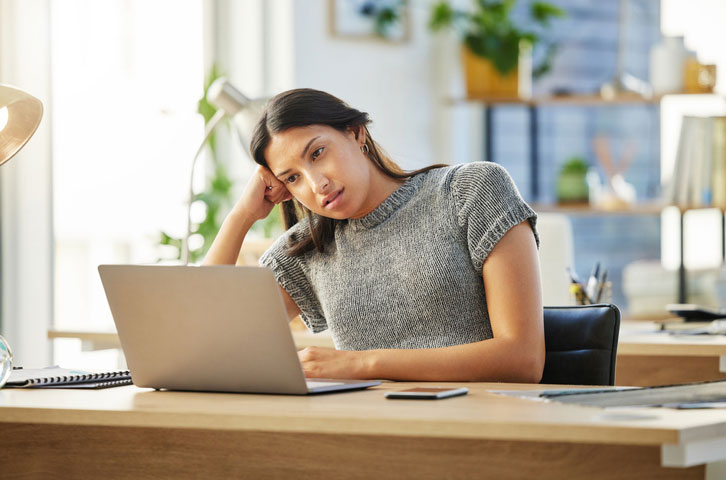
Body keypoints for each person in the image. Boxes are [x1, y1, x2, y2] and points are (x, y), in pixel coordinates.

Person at [204, 88, 544, 383]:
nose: (316, 184)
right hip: (364, 433)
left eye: (318, 153)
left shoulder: (470, 190)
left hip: (480, 429)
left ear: (356, 134)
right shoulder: (307, 250)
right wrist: (241, 216)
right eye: (292, 178)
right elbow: (206, 343)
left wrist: (362, 363)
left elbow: (523, 358)